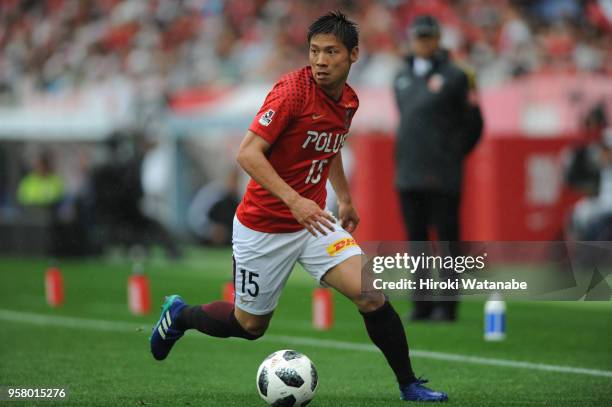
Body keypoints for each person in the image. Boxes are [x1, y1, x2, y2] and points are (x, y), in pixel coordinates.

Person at [150, 11, 447, 402]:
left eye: (331, 52)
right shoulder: (291, 92)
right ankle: (181, 314)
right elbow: (248, 154)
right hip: (264, 226)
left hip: (314, 223)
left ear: (354, 55)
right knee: (250, 325)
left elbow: (331, 144)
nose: (321, 61)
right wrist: (295, 201)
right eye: (314, 51)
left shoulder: (348, 100)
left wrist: (343, 196)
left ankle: (410, 385)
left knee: (370, 293)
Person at [393, 15, 483, 322]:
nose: (423, 43)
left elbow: (474, 122)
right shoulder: (401, 75)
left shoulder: (458, 75)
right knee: (416, 241)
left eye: (428, 37)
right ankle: (422, 303)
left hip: (443, 173)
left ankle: (447, 305)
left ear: (437, 39)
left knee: (446, 241)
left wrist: (452, 154)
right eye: (418, 37)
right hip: (408, 172)